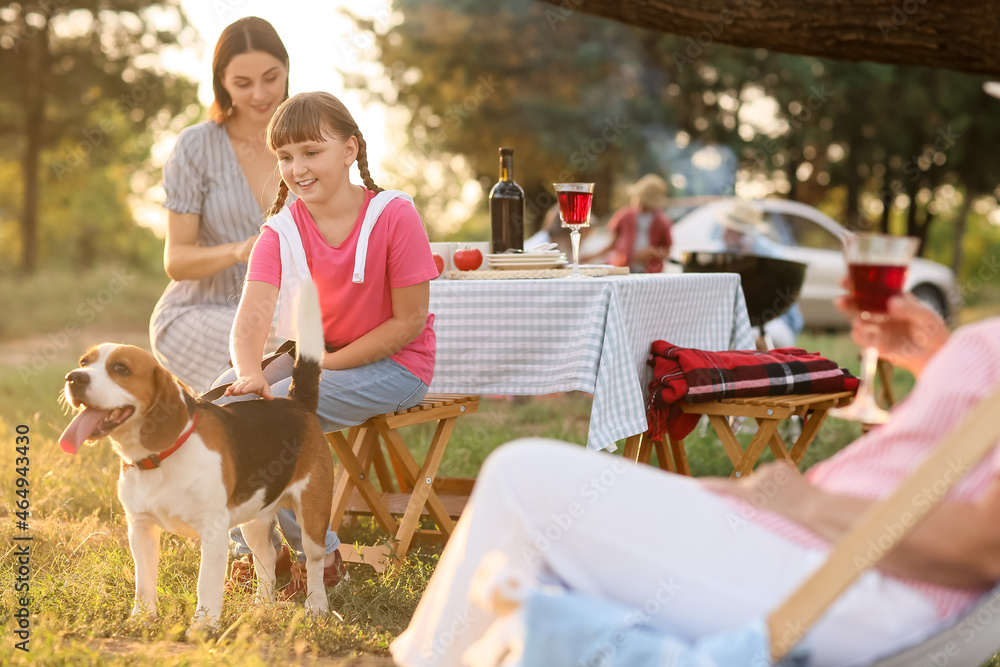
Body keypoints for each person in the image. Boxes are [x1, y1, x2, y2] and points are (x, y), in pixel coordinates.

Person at [390, 295, 1000, 667]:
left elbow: (983, 547)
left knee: (524, 480)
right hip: (811, 541)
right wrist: (938, 360)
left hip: (850, 578)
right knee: (538, 508)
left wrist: (808, 503)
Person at [213, 91, 439, 596]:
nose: (297, 168)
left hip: (397, 367)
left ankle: (317, 551)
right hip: (316, 359)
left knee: (288, 415)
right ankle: (255, 549)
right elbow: (250, 320)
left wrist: (323, 366)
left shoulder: (393, 215)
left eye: (311, 152)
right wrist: (250, 371)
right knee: (227, 397)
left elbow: (408, 322)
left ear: (349, 150)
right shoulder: (279, 231)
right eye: (285, 157)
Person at [149, 17, 289, 394]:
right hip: (199, 312)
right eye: (243, 83)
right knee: (295, 340)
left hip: (282, 308)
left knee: (331, 329)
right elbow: (176, 261)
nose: (260, 93)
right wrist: (240, 250)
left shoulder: (308, 137)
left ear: (287, 69)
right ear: (222, 83)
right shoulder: (196, 146)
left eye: (271, 78)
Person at [716, 199, 804, 348]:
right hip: (736, 321)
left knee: (748, 338)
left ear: (742, 232)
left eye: (730, 229)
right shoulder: (723, 252)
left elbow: (785, 304)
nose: (724, 234)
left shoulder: (771, 256)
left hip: (774, 322)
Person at [581, 173, 672, 273]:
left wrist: (651, 252)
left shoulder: (663, 223)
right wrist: (592, 256)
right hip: (623, 268)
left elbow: (666, 251)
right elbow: (612, 244)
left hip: (650, 271)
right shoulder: (624, 216)